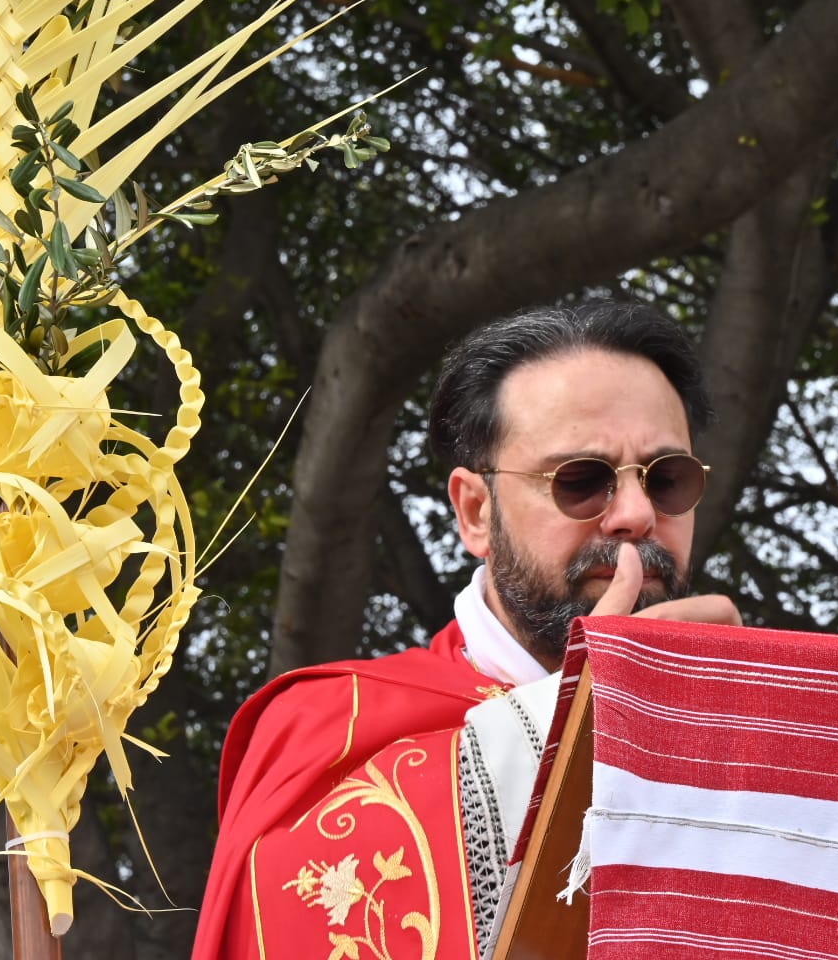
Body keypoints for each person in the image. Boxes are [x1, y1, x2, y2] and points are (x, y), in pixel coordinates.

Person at [191, 301, 740, 960]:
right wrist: (587, 716)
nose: (634, 514)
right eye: (580, 480)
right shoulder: (326, 722)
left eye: (667, 480)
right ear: (476, 511)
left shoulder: (747, 733)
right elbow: (292, 915)